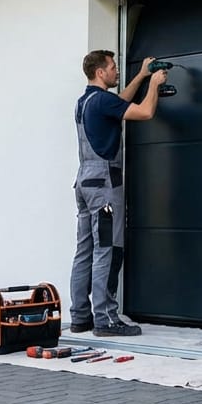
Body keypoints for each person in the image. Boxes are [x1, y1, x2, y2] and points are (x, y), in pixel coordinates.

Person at [68, 50, 168, 337]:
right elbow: (145, 111)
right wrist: (154, 85)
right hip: (104, 184)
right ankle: (106, 319)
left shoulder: (86, 101)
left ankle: (80, 317)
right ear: (101, 72)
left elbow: (119, 103)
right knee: (109, 249)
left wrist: (141, 75)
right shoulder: (101, 100)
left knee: (85, 250)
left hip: (84, 181)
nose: (116, 71)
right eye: (113, 67)